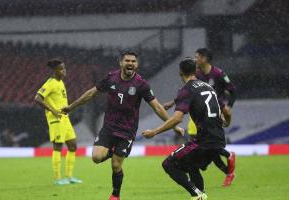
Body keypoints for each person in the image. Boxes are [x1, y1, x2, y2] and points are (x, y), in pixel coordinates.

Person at [62, 51, 184, 200]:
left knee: (116, 165)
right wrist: (71, 107)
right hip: (108, 128)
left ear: (137, 65)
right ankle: (114, 152)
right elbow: (91, 93)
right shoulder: (111, 78)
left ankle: (115, 195)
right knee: (96, 158)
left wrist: (174, 126)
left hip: (127, 131)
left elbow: (157, 107)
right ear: (121, 63)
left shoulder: (141, 84)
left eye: (133, 61)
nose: (130, 63)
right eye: (127, 61)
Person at [142, 58, 232, 200]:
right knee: (191, 165)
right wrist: (226, 122)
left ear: (180, 72)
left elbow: (177, 118)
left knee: (168, 164)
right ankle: (199, 195)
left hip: (203, 141)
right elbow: (224, 112)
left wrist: (154, 132)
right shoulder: (208, 87)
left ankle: (196, 194)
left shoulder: (186, 90)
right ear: (196, 70)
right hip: (219, 140)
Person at [163, 48, 236, 186]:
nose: (195, 59)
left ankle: (225, 159)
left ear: (205, 58)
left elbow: (232, 91)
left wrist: (229, 107)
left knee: (206, 144)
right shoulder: (198, 75)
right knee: (204, 146)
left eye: (197, 57)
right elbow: (189, 93)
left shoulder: (218, 73)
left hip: (214, 112)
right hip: (198, 112)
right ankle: (223, 171)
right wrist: (174, 102)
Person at [35, 59, 83, 185]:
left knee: (73, 146)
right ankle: (57, 178)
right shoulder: (50, 83)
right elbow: (37, 98)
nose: (64, 71)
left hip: (65, 119)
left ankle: (69, 176)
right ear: (55, 70)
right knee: (58, 148)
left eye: (64, 68)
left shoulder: (60, 82)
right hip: (56, 120)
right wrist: (53, 111)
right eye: (61, 69)